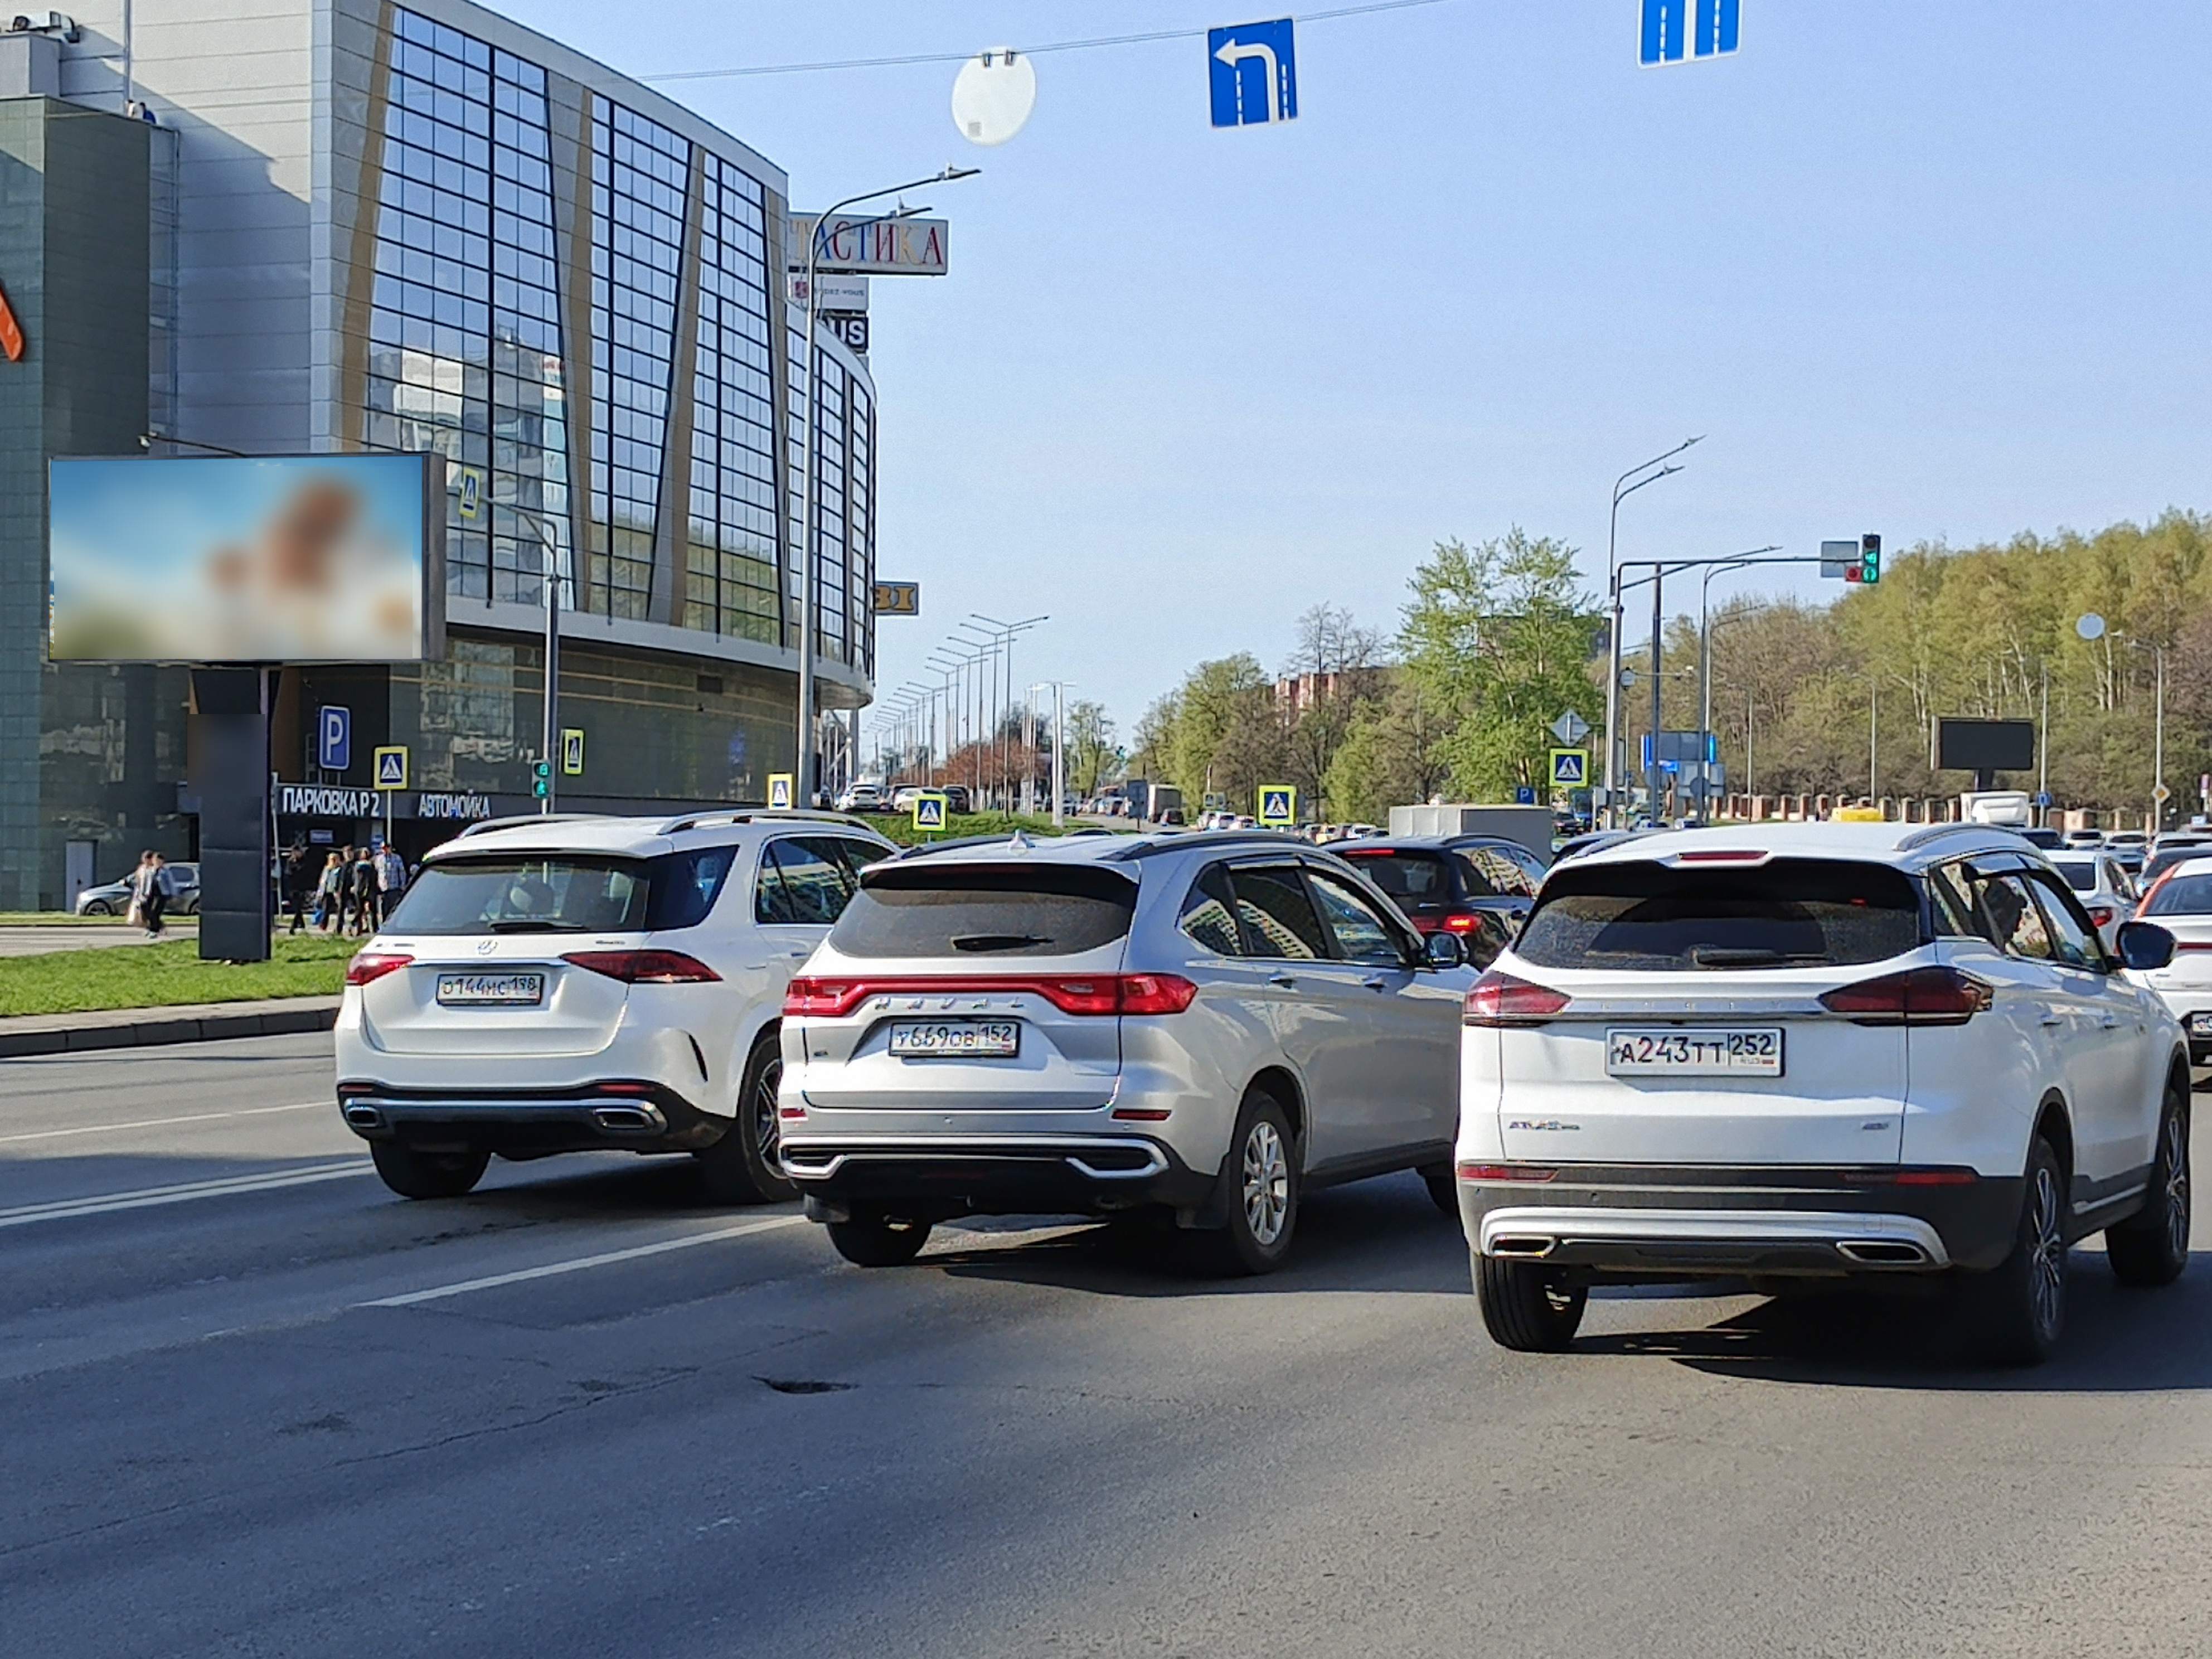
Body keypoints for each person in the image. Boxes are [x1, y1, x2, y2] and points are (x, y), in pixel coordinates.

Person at [136, 851, 172, 939]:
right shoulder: (150, 870)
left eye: (159, 861)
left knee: (155, 912)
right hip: (149, 894)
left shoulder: (165, 872)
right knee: (146, 911)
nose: (157, 863)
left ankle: (154, 930)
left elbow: (171, 883)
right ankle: (157, 927)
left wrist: (172, 893)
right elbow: (143, 882)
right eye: (156, 861)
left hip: (161, 894)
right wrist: (141, 894)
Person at [373, 841, 407, 926]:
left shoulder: (397, 858)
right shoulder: (378, 859)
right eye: (383, 848)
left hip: (394, 887)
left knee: (393, 908)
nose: (385, 850)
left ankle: (392, 924)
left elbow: (402, 872)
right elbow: (376, 872)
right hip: (382, 888)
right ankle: (384, 925)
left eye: (386, 848)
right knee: (383, 908)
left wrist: (402, 885)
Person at [349, 845, 379, 936]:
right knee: (360, 909)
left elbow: (374, 877)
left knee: (373, 910)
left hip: (370, 889)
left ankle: (375, 928)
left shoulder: (372, 865)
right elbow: (355, 877)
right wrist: (353, 886)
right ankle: (356, 926)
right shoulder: (357, 865)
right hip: (360, 889)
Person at [316, 850, 346, 933]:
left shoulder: (340, 869)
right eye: (331, 859)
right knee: (326, 909)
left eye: (334, 859)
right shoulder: (327, 869)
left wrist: (338, 890)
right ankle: (323, 925)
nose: (333, 861)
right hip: (327, 891)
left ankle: (339, 927)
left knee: (340, 910)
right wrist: (320, 892)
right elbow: (322, 881)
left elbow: (341, 881)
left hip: (336, 892)